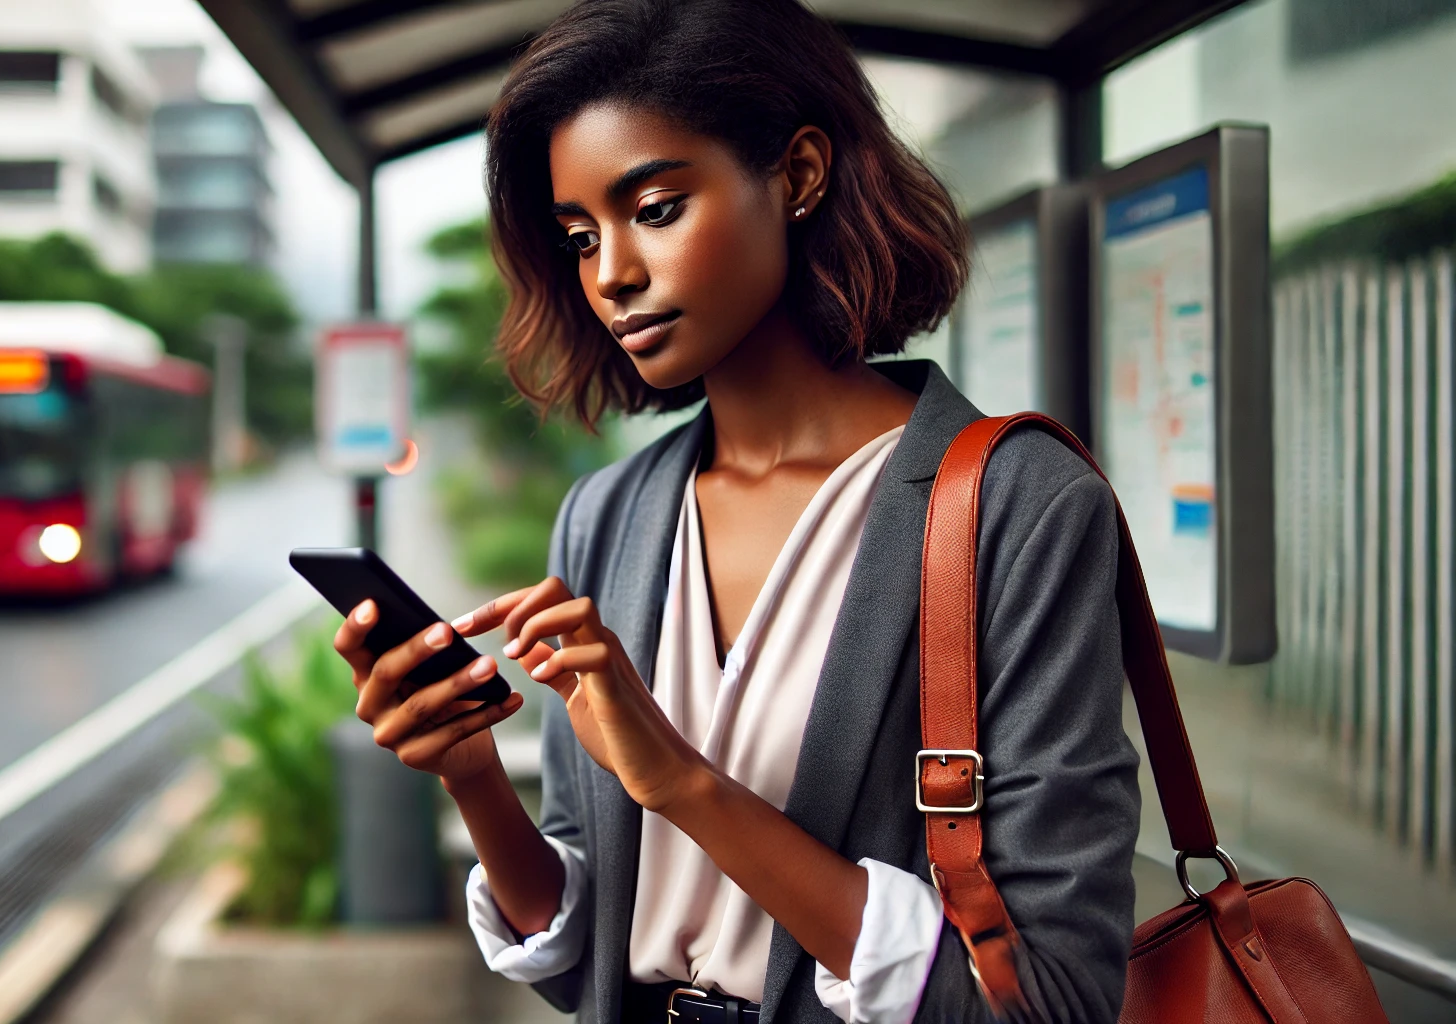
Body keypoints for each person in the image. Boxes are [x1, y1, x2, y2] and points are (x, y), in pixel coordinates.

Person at [332, 1, 1140, 1020]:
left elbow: (1056, 1000)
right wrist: (473, 777)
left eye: (656, 208)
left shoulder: (1019, 507)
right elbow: (586, 959)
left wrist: (683, 782)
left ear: (797, 175)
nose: (612, 274)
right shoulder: (609, 515)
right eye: (580, 236)